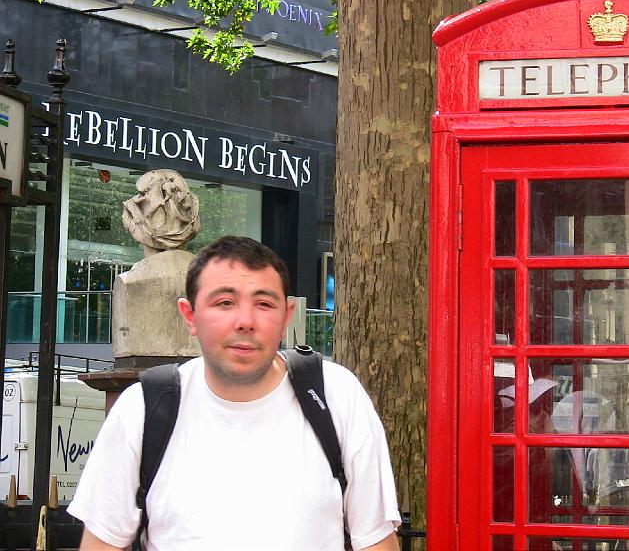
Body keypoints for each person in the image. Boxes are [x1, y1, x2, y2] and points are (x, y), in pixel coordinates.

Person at [68, 236, 401, 550]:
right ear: (190, 315)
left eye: (264, 303)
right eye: (224, 302)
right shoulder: (140, 409)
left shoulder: (336, 396)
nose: (246, 320)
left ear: (286, 317)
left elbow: (376, 540)